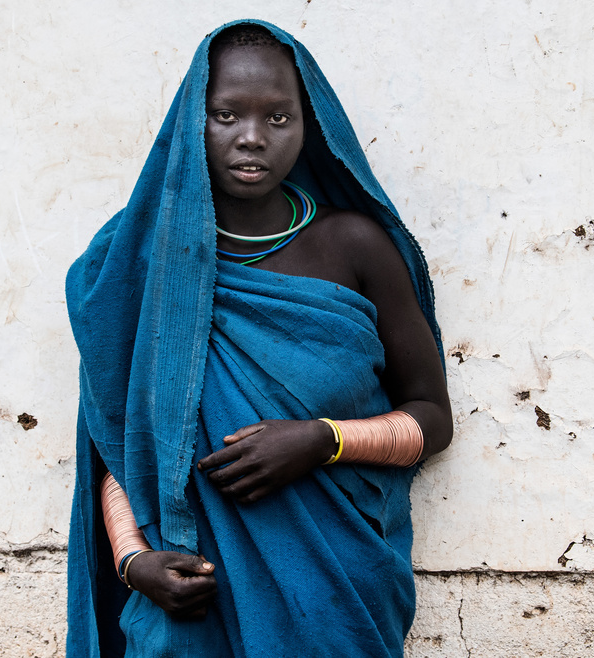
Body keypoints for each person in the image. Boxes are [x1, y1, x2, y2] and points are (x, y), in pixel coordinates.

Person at [66, 20, 452, 658]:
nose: (251, 137)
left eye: (278, 118)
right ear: (194, 120)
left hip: (335, 590)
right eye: (226, 114)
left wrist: (320, 440)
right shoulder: (138, 260)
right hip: (190, 601)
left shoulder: (356, 246)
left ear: (310, 127)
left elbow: (432, 419)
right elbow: (118, 433)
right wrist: (134, 561)